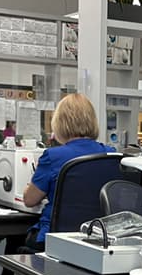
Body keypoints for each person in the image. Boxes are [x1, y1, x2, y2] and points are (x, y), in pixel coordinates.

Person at [20, 93, 114, 252]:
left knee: (14, 240)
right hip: (97, 241)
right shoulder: (110, 154)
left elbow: (29, 200)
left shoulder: (52, 156)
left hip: (55, 240)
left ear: (59, 123)